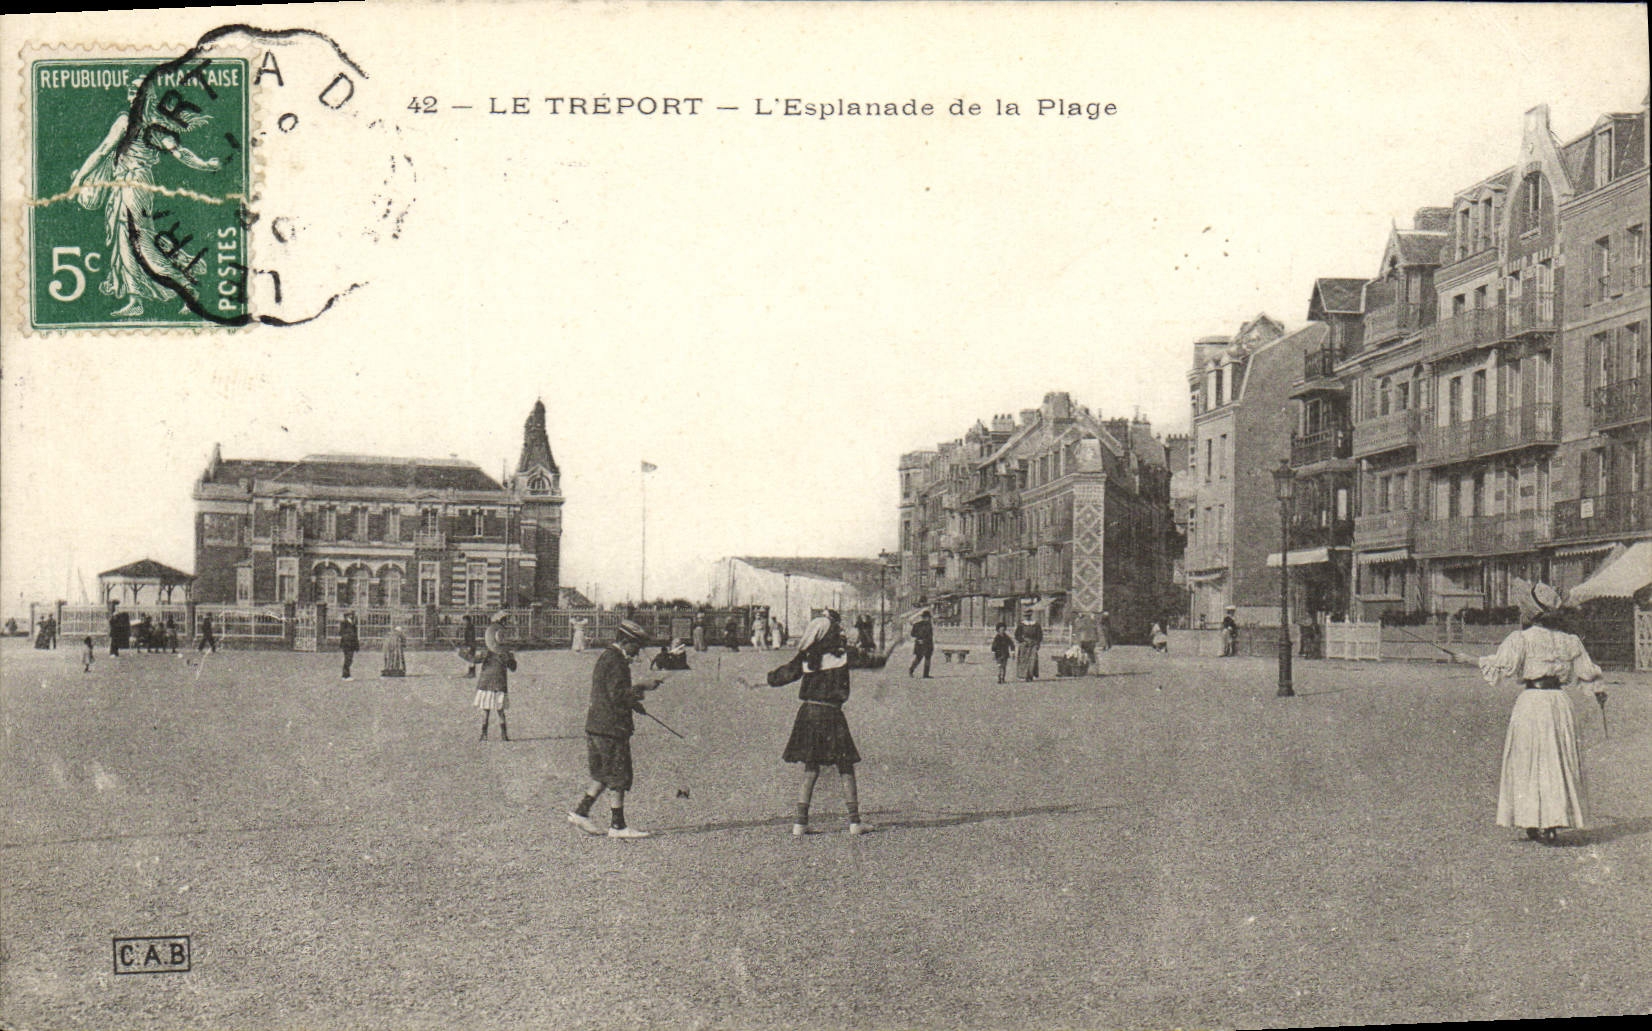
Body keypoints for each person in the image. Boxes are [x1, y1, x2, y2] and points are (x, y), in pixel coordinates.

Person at [1478, 582, 1605, 845]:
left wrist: (1470, 660)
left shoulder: (1521, 639)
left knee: (1530, 759)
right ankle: (1550, 822)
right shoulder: (1569, 641)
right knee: (1556, 758)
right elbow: (1588, 674)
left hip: (1533, 704)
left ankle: (1535, 820)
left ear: (1529, 612)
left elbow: (1503, 668)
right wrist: (1598, 691)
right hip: (1559, 703)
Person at [770, 609, 870, 836]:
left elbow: (784, 675)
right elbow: (872, 660)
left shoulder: (807, 658)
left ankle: (800, 823)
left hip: (808, 714)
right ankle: (854, 822)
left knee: (811, 766)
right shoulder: (843, 656)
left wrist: (766, 679)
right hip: (832, 714)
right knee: (845, 765)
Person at [568, 619, 664, 839]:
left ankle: (581, 812)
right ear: (626, 641)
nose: (637, 652)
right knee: (619, 775)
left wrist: (635, 704)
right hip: (611, 727)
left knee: (603, 773)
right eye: (636, 646)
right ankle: (618, 826)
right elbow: (618, 695)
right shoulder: (617, 661)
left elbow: (612, 693)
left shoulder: (607, 656)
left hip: (596, 725)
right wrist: (642, 687)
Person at [474, 613, 516, 741]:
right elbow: (513, 667)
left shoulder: (487, 652)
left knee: (485, 710)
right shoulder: (505, 653)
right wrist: (511, 658)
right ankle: (504, 735)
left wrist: (461, 653)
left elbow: (475, 659)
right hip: (499, 684)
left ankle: (483, 734)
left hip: (486, 683)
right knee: (500, 710)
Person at [1014, 607, 1043, 681]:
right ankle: (1024, 675)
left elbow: (1039, 635)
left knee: (1032, 659)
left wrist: (1038, 643)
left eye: (1029, 615)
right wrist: (1022, 640)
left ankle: (1031, 675)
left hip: (1033, 644)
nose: (1027, 617)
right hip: (1024, 644)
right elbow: (1017, 635)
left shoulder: (1036, 624)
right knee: (1024, 659)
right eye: (1026, 615)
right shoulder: (1021, 624)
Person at [908, 608, 934, 678]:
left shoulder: (929, 625)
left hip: (928, 644)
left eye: (928, 617)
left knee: (928, 658)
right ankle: (911, 670)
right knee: (918, 658)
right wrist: (919, 638)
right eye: (925, 617)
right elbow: (912, 634)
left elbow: (930, 635)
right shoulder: (917, 625)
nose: (927, 619)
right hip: (920, 644)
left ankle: (926, 674)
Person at [338, 612, 359, 680]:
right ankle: (345, 675)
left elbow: (356, 635)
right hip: (346, 644)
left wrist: (356, 645)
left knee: (349, 659)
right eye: (350, 615)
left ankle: (346, 674)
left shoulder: (353, 623)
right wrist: (348, 636)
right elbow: (341, 633)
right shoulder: (344, 623)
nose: (352, 616)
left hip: (352, 644)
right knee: (348, 659)